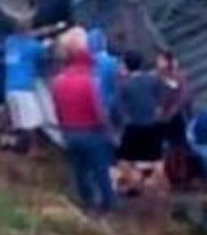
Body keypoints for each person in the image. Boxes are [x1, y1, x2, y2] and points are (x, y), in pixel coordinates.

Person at [51, 37, 116, 212]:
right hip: (91, 132)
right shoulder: (90, 82)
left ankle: (85, 200)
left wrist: (63, 129)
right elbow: (98, 109)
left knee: (78, 169)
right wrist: (109, 130)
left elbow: (57, 109)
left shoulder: (58, 81)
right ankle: (108, 203)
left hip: (70, 132)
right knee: (100, 168)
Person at [116, 52, 172, 195]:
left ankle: (137, 183)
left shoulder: (124, 85)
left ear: (127, 66)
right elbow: (164, 95)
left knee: (124, 159)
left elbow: (120, 109)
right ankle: (156, 187)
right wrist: (158, 109)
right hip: (153, 125)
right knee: (157, 159)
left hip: (134, 126)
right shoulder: (153, 79)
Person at [1, 23, 52, 152]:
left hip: (9, 87)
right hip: (24, 88)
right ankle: (33, 150)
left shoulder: (9, 41)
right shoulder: (33, 46)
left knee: (15, 119)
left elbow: (26, 36)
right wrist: (48, 42)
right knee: (32, 121)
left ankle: (8, 144)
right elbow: (45, 53)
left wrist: (42, 30)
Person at [155, 50, 194, 183]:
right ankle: (170, 173)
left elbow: (184, 96)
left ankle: (181, 173)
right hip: (162, 117)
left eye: (161, 59)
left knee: (178, 145)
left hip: (174, 117)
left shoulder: (177, 76)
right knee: (166, 146)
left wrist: (172, 111)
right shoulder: (157, 76)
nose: (158, 62)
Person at [86, 29, 121, 125]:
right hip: (114, 106)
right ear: (104, 42)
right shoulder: (113, 62)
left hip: (95, 109)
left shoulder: (86, 65)